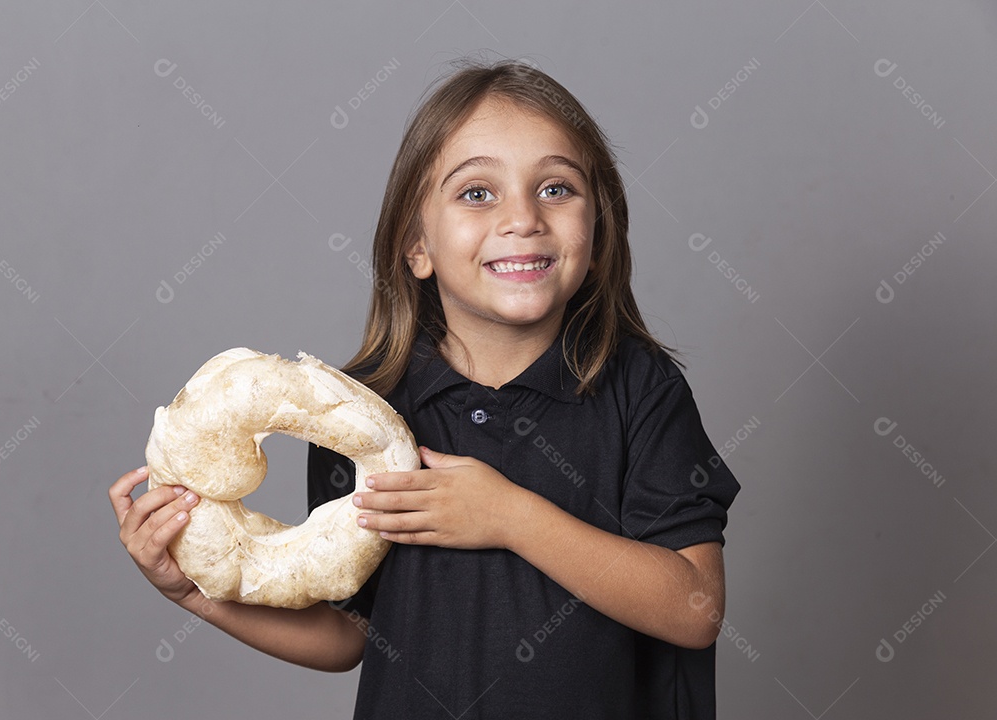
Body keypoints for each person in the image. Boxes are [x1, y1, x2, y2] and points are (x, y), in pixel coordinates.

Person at [111, 59, 741, 719]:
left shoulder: (638, 390)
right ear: (417, 245)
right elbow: (350, 635)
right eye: (477, 193)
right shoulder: (361, 412)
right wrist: (192, 593)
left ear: (598, 227)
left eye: (556, 188)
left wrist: (509, 517)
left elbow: (694, 609)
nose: (523, 217)